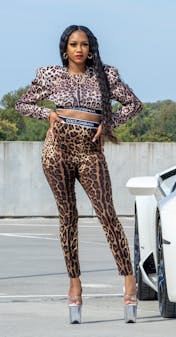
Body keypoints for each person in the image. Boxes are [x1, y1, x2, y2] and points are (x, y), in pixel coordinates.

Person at [15, 25, 142, 324]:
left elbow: (134, 105)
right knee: (67, 216)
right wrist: (48, 113)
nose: (79, 49)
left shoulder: (106, 76)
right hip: (56, 150)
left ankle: (128, 279)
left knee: (107, 214)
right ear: (65, 49)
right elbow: (22, 103)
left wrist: (107, 124)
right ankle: (74, 282)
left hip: (89, 151)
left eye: (84, 44)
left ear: (91, 48)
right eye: (73, 44)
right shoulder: (51, 75)